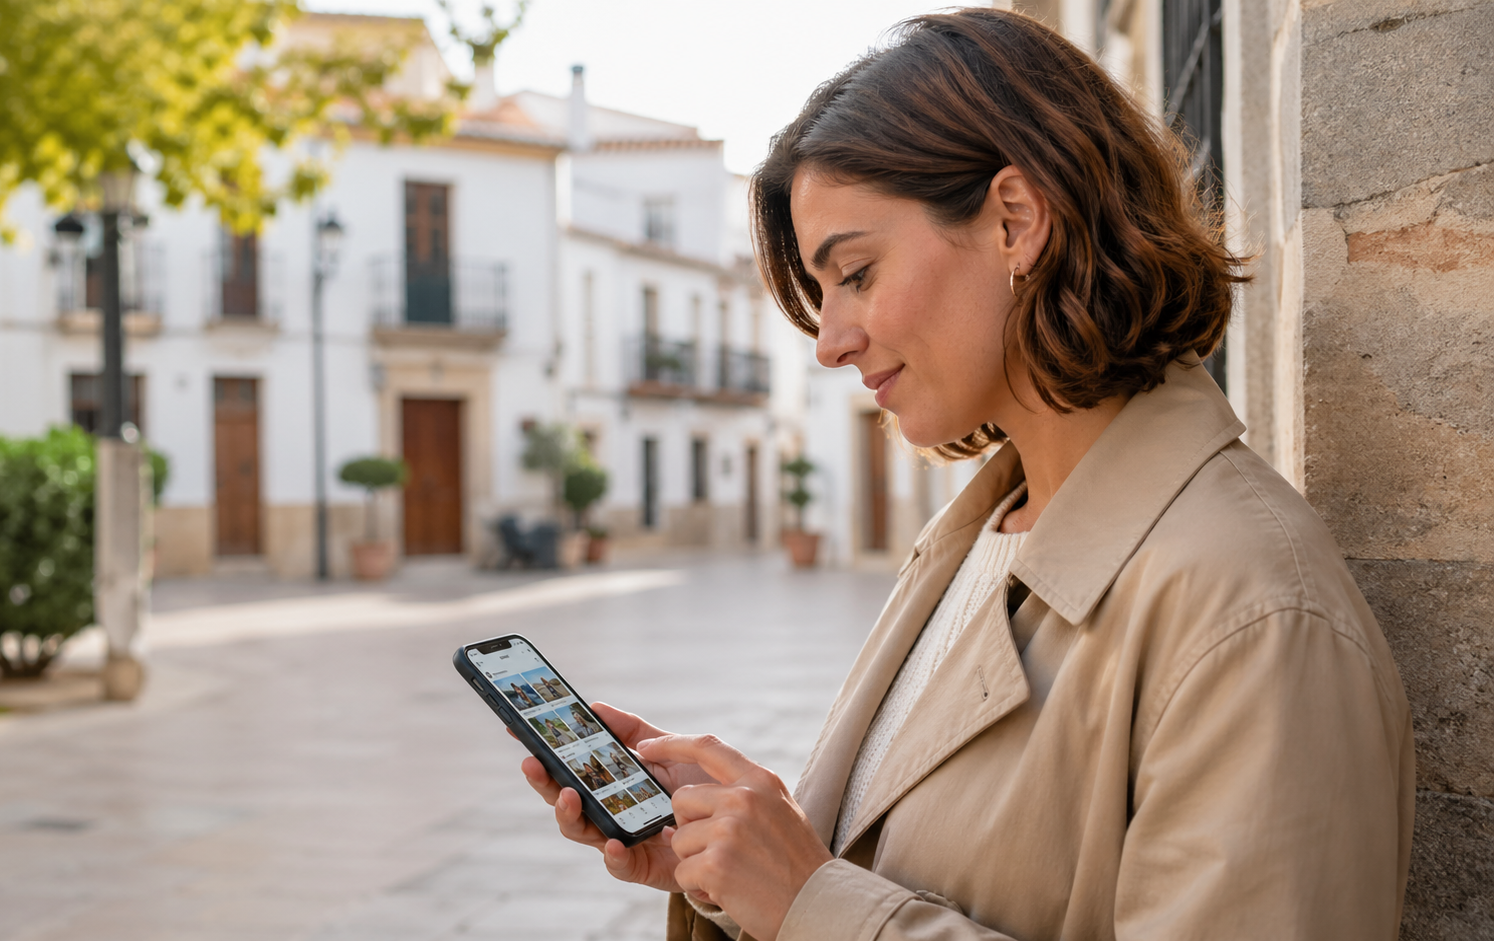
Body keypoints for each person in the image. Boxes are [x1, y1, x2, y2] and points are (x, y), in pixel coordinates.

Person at [520, 9, 1413, 941]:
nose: (829, 342)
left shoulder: (1253, 613)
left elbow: (843, 905)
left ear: (1015, 222)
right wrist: (733, 859)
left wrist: (809, 899)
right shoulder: (979, 537)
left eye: (855, 273)